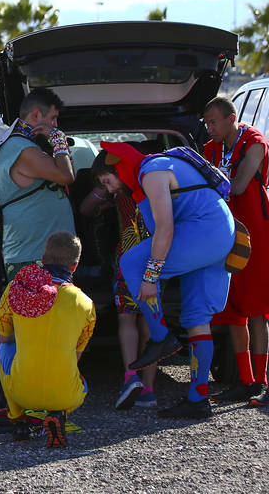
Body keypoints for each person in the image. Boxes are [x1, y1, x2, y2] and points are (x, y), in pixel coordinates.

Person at [96, 141, 234, 420]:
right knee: (197, 318)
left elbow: (165, 230)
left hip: (202, 233)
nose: (109, 190)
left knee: (131, 263)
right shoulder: (153, 172)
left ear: (118, 165)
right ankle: (198, 398)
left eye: (108, 181)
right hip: (219, 234)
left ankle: (161, 337)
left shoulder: (152, 172)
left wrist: (151, 277)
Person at [202, 97, 269, 406]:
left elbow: (238, 186)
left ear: (231, 119)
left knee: (256, 308)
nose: (209, 128)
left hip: (255, 233)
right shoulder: (210, 150)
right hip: (225, 234)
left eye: (214, 122)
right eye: (207, 123)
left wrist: (210, 178)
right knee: (233, 310)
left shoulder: (254, 142)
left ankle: (261, 382)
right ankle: (244, 380)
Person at [0, 231, 95, 448]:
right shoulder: (86, 304)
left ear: (43, 259)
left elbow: (3, 338)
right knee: (73, 368)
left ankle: (18, 420)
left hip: (22, 393)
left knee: (4, 349)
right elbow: (77, 357)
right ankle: (58, 414)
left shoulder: (16, 290)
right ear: (75, 266)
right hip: (67, 396)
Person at [81, 152, 158, 410]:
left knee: (130, 318)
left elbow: (84, 209)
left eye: (107, 180)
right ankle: (146, 387)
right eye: (101, 182)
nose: (105, 186)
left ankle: (132, 377)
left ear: (119, 172)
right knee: (148, 320)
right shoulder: (150, 188)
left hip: (129, 262)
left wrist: (106, 195)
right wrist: (107, 193)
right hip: (152, 261)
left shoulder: (125, 194)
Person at [0, 88, 76, 281]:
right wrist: (58, 139)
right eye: (53, 118)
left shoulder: (26, 146)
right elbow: (66, 175)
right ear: (36, 115)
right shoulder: (21, 149)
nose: (55, 125)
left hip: (43, 259)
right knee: (40, 312)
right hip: (33, 259)